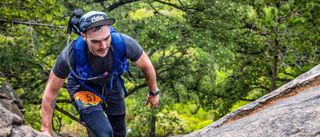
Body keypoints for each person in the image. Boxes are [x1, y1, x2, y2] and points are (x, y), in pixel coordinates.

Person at [40, 11, 160, 137]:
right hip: (82, 87)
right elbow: (51, 91)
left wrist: (153, 92)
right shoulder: (70, 55)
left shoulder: (123, 43)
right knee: (105, 133)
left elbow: (146, 65)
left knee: (119, 132)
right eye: (96, 41)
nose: (103, 46)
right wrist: (45, 129)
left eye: (106, 38)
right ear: (84, 36)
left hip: (111, 84)